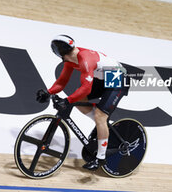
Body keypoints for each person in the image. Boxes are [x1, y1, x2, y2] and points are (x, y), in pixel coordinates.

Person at [36, 35, 129, 170]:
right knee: (80, 100)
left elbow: (86, 88)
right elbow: (62, 82)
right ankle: (102, 126)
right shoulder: (70, 60)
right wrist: (48, 92)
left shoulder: (84, 59)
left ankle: (100, 159)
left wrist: (67, 101)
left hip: (118, 77)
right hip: (103, 77)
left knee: (99, 115)